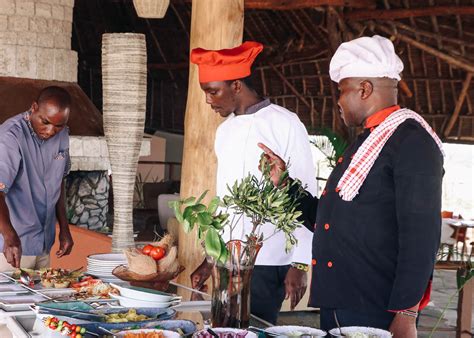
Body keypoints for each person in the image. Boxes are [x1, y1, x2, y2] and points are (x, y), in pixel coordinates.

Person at [259, 35, 444, 337]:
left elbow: (421, 237)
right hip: (344, 299)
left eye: (342, 91)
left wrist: (407, 314)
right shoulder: (366, 142)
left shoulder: (411, 142)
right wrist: (285, 184)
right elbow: (330, 220)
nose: (339, 101)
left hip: (377, 306)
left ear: (364, 89)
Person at [189, 41, 318, 324]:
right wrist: (211, 257)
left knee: (257, 328)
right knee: (223, 327)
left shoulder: (286, 123)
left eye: (213, 91)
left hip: (271, 260)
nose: (209, 100)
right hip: (228, 260)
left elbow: (307, 193)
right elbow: (225, 200)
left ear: (236, 85)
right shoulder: (224, 132)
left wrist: (299, 264)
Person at [0, 86, 74, 271]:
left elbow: (59, 181)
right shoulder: (10, 137)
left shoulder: (63, 135)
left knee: (41, 298)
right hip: (11, 249)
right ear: (34, 108)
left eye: (59, 125)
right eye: (45, 122)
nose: (50, 131)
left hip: (43, 244)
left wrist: (64, 229)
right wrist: (9, 237)